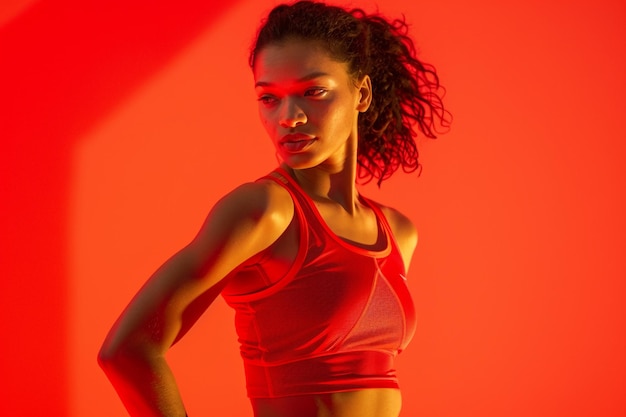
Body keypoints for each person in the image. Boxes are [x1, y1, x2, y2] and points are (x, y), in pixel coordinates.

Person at [98, 1, 450, 416]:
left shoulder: (397, 231)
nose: (289, 117)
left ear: (362, 93)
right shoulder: (265, 211)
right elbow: (127, 350)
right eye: (269, 98)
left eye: (313, 92)